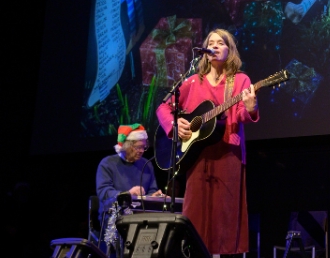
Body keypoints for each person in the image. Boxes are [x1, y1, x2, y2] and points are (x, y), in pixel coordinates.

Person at [156, 28, 258, 257]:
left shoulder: (240, 80)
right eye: (210, 43)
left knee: (225, 216)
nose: (214, 46)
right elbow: (163, 107)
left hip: (227, 154)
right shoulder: (192, 82)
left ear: (229, 50)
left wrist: (251, 108)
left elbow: (242, 113)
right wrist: (174, 126)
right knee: (196, 215)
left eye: (220, 43)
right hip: (196, 156)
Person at [95, 124, 162, 255]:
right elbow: (103, 192)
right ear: (126, 146)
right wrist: (127, 194)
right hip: (113, 217)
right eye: (138, 147)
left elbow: (151, 191)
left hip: (141, 217)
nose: (142, 150)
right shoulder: (107, 163)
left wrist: (154, 197)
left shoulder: (146, 165)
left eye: (144, 147)